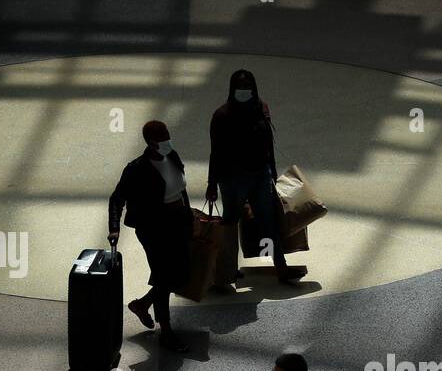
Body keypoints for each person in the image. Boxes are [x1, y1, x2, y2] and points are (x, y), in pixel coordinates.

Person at [205, 69, 304, 284]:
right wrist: (212, 183)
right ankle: (227, 271)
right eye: (240, 87)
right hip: (232, 179)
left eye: (247, 86)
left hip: (260, 175)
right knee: (230, 224)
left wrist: (272, 171)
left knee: (268, 221)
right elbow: (216, 152)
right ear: (233, 89)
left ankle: (281, 267)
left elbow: (269, 143)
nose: (244, 91)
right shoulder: (221, 116)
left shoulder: (261, 108)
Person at [109, 120, 192, 353]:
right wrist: (114, 227)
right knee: (164, 276)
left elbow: (180, 188)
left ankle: (142, 304)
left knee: (181, 271)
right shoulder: (136, 169)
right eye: (162, 139)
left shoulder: (172, 155)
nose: (167, 142)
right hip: (154, 228)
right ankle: (166, 331)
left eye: (167, 136)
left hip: (178, 221)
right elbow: (117, 199)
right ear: (151, 142)